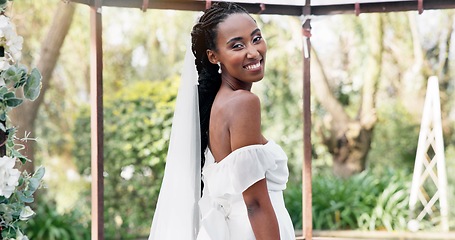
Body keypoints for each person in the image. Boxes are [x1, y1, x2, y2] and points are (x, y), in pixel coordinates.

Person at [149, 2, 294, 240]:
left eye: (256, 38)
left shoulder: (218, 105)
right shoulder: (243, 103)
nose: (253, 52)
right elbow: (255, 203)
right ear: (213, 56)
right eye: (237, 45)